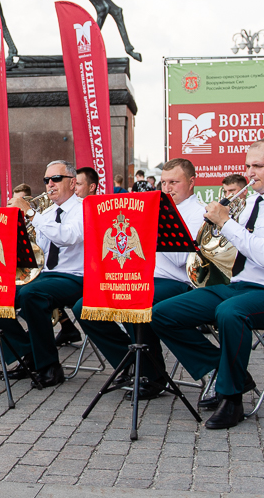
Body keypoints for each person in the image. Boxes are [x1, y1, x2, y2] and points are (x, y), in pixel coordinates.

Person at [152, 139, 264, 430]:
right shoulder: (251, 201)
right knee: (162, 313)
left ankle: (231, 398)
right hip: (240, 285)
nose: (251, 173)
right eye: (248, 166)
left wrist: (225, 222)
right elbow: (230, 248)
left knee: (230, 312)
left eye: (258, 166)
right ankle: (222, 369)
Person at [76, 158, 204, 398]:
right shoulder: (155, 207)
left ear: (191, 182)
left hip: (176, 282)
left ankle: (151, 376)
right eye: (164, 182)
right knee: (83, 306)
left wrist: (150, 228)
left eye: (174, 182)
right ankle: (129, 362)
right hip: (139, 277)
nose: (167, 188)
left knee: (137, 302)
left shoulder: (198, 213)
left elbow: (181, 261)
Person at [0, 161, 85, 388]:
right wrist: (15, 229)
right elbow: (37, 250)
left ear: (72, 182)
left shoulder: (83, 208)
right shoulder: (46, 212)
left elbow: (67, 237)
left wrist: (30, 213)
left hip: (76, 277)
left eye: (55, 179)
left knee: (32, 294)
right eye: (46, 180)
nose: (49, 184)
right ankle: (27, 354)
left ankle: (50, 366)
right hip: (46, 276)